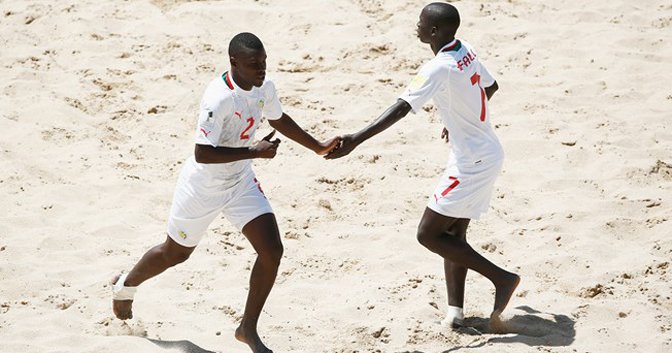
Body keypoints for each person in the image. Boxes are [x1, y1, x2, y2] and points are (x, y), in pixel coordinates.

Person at [111, 32, 339, 353]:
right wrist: (254, 152)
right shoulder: (218, 99)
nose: (261, 69)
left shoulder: (264, 86)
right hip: (203, 186)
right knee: (174, 254)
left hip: (240, 182)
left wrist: (317, 147)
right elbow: (203, 152)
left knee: (272, 250)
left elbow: (278, 118)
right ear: (233, 63)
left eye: (263, 62)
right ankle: (125, 286)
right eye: (253, 64)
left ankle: (247, 328)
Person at [326, 3, 520, 328]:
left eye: (421, 23)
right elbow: (490, 87)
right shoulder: (464, 50)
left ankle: (501, 279)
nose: (416, 26)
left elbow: (401, 108)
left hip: (471, 162)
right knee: (453, 234)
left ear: (433, 32)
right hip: (485, 152)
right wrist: (459, 117)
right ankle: (455, 314)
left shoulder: (438, 67)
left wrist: (356, 139)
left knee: (428, 234)